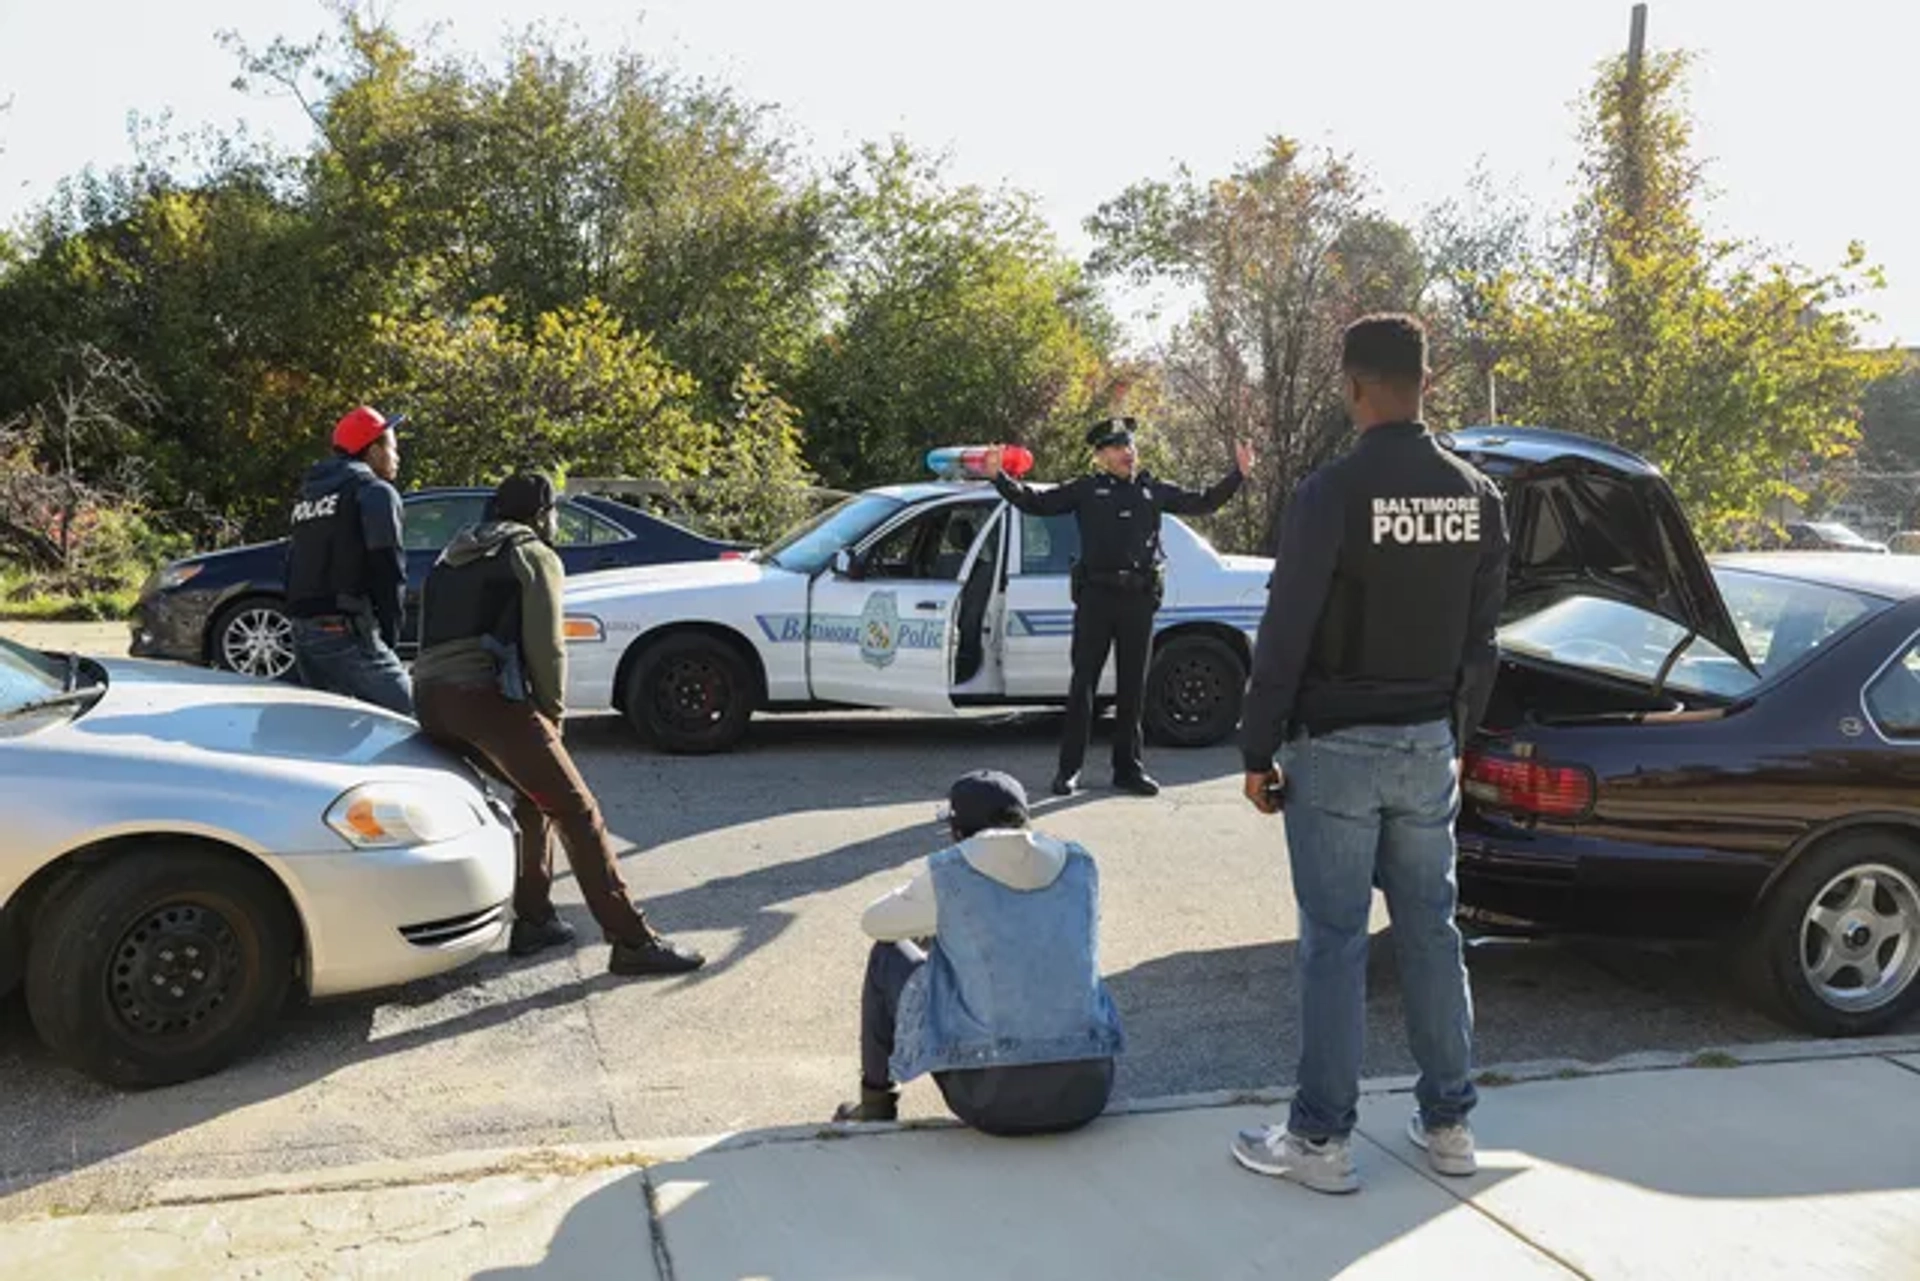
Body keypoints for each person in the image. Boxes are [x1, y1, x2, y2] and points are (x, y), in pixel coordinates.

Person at [1230, 313, 1509, 1195]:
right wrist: (1457, 736)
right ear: (1426, 381)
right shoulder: (1478, 496)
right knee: (1432, 929)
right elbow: (1482, 642)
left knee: (1335, 941)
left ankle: (1320, 1141)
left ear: (1353, 387)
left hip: (1337, 745)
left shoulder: (1332, 494)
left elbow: (1287, 627)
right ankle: (1451, 1123)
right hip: (1429, 741)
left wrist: (1256, 743)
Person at [412, 473, 704, 977]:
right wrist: (552, 718)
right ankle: (632, 940)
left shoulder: (451, 554)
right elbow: (548, 647)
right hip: (481, 697)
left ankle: (536, 918)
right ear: (542, 514)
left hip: (431, 700)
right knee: (578, 810)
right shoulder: (532, 555)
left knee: (534, 794)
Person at [832, 769, 1123, 1135]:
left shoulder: (953, 872)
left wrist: (939, 925)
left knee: (887, 954)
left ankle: (876, 1105)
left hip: (991, 1100)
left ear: (957, 831)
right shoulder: (1079, 864)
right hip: (1088, 1091)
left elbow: (874, 922)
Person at [987, 420, 1254, 797]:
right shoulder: (1086, 490)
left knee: (1133, 688)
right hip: (1096, 597)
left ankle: (1128, 769)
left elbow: (1203, 501)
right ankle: (1069, 770)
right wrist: (998, 477)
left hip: (1138, 600)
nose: (1126, 453)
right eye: (1115, 447)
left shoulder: (1152, 490)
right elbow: (1035, 502)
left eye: (1129, 445)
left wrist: (1238, 475)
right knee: (1083, 686)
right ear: (1100, 455)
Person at [284, 405, 413, 715]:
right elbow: (388, 567)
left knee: (327, 727)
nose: (397, 457)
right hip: (347, 633)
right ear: (372, 450)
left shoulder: (311, 493)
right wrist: (388, 638)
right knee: (420, 717)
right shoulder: (374, 492)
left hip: (303, 632)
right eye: (393, 447)